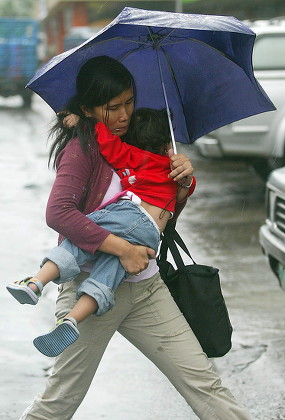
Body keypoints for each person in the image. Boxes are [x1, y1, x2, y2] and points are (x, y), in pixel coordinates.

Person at [19, 56, 251, 420]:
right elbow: (59, 214)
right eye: (113, 108)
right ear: (88, 109)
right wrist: (123, 250)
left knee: (204, 383)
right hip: (90, 289)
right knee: (59, 401)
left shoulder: (145, 142)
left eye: (129, 101)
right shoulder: (84, 149)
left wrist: (183, 182)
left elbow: (158, 222)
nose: (125, 114)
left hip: (145, 289)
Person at [7, 108, 196, 357]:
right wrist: (181, 170)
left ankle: (35, 283)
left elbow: (106, 142)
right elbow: (182, 193)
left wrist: (82, 123)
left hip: (128, 216)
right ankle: (72, 321)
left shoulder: (131, 155)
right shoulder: (176, 171)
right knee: (107, 278)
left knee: (79, 242)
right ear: (165, 144)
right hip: (149, 236)